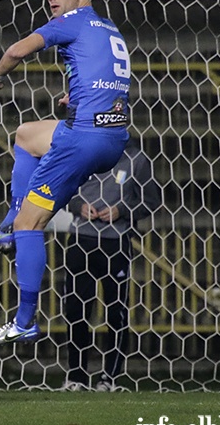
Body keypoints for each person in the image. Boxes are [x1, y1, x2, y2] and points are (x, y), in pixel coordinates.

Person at [0, 0, 133, 345]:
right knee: (26, 135)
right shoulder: (109, 29)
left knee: (32, 225)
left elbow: (15, 51)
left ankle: (24, 320)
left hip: (83, 140)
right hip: (111, 135)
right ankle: (8, 227)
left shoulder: (72, 22)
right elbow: (109, 77)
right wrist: (75, 98)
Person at [60, 138, 159, 391]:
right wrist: (78, 206)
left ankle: (109, 378)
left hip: (116, 243)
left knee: (116, 312)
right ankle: (77, 376)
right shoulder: (82, 151)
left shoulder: (136, 159)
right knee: (76, 310)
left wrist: (122, 210)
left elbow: (151, 200)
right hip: (81, 240)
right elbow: (63, 192)